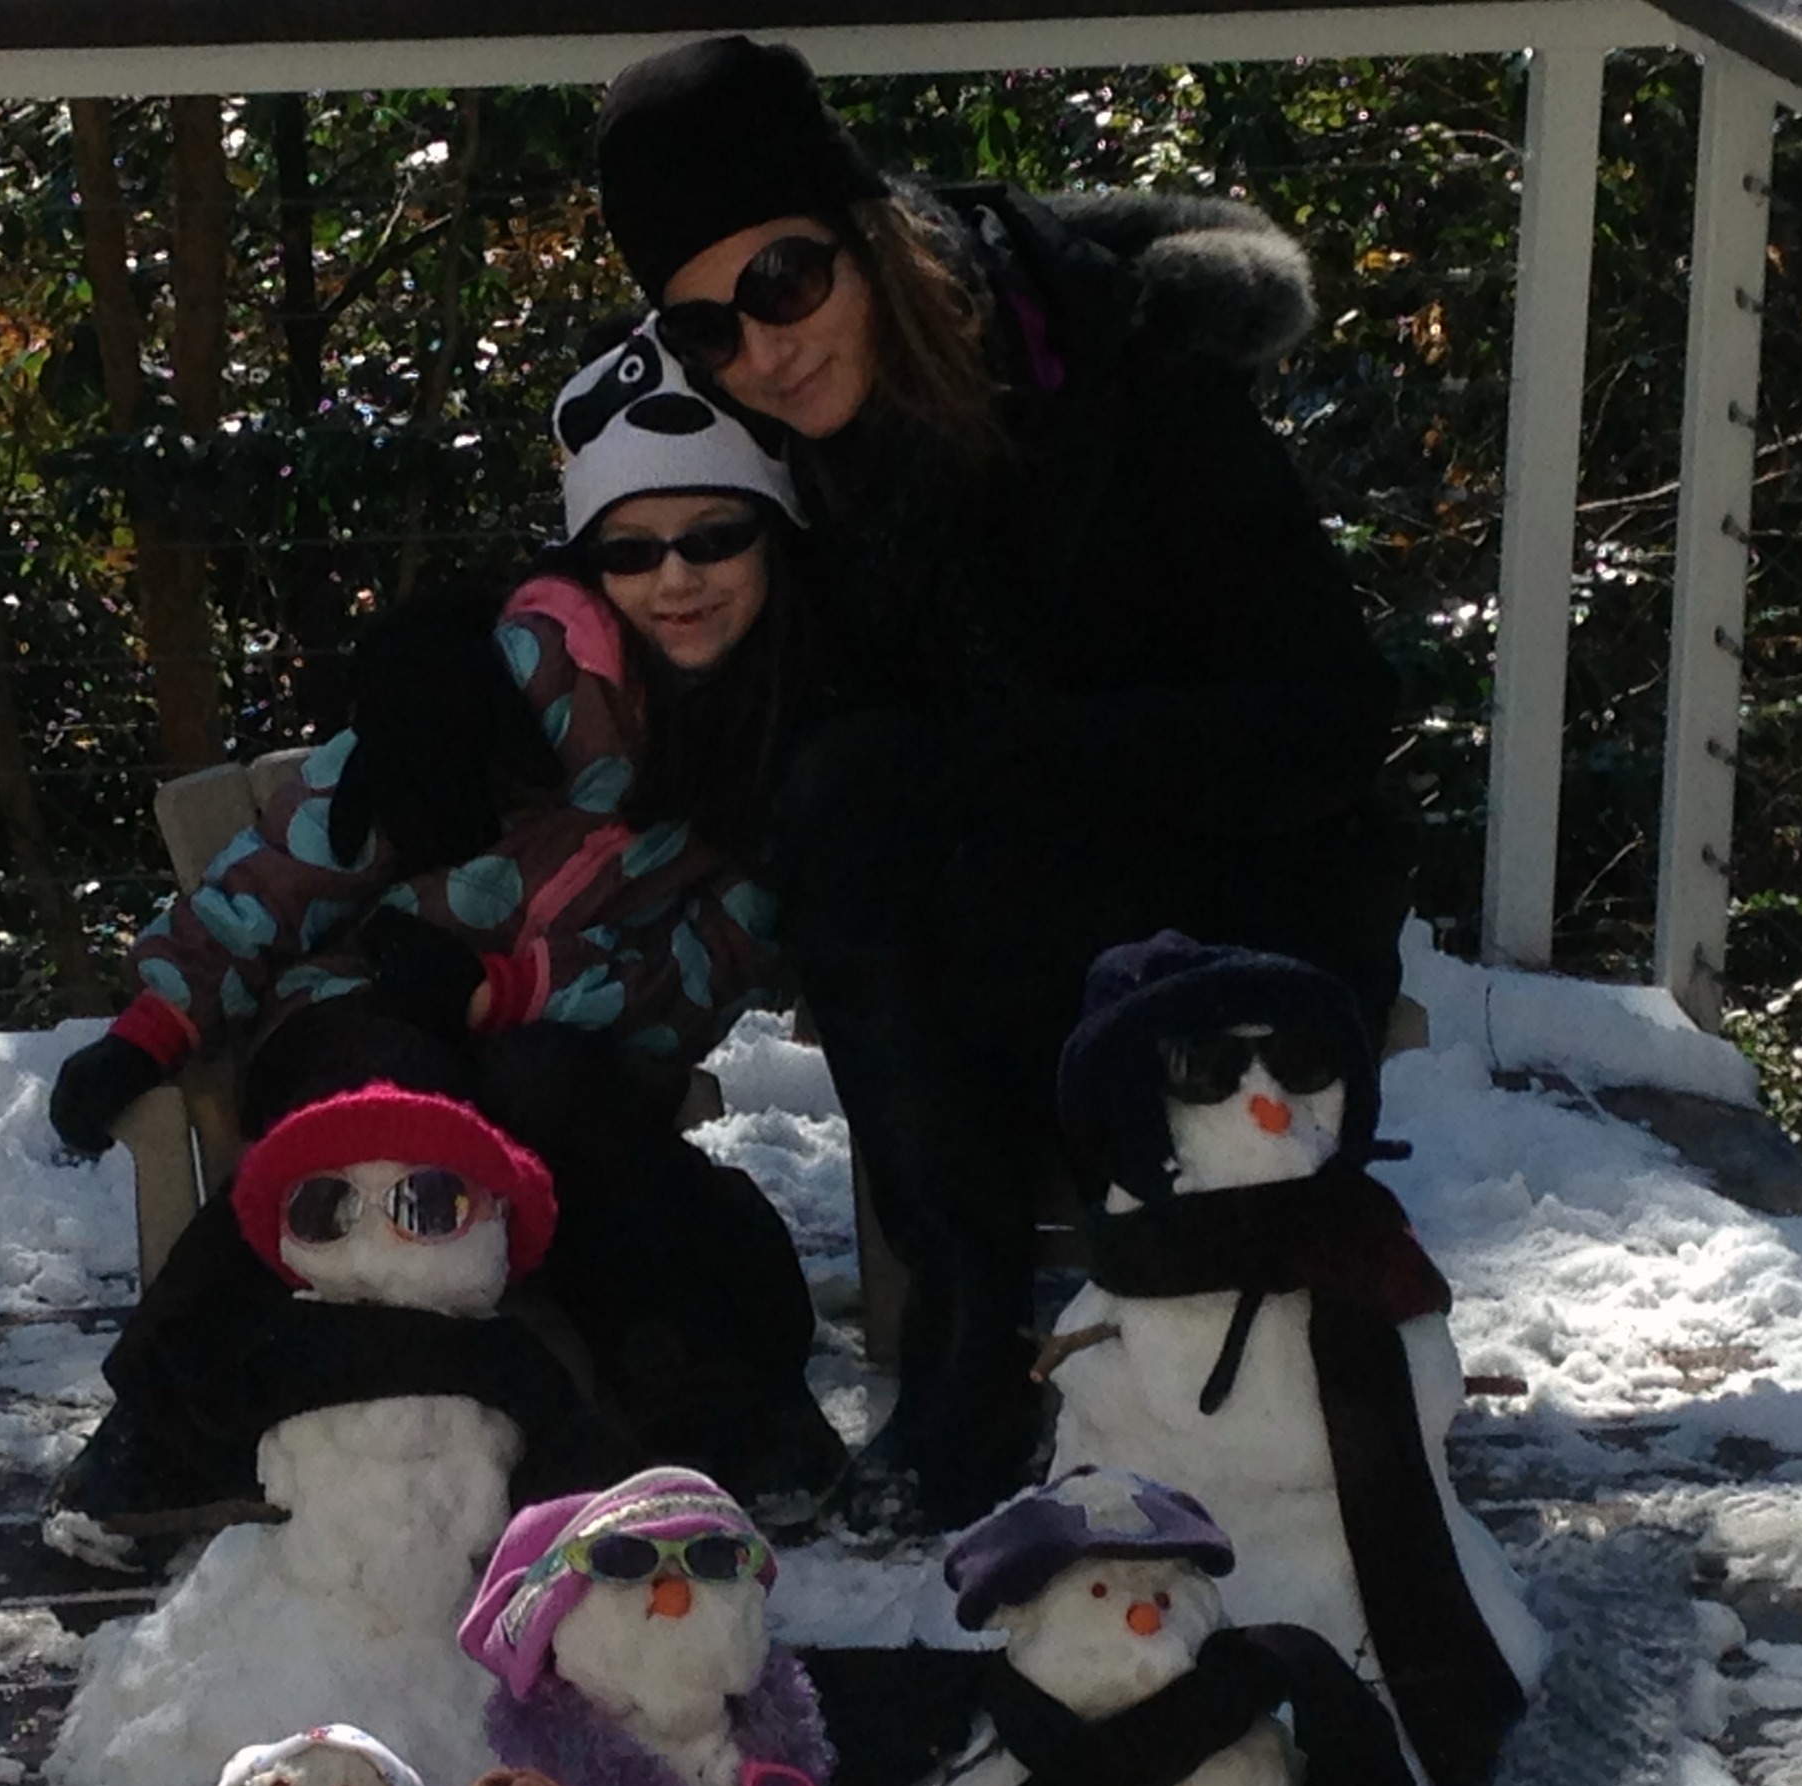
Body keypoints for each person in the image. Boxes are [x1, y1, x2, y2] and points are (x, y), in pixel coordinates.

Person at [593, 38, 1409, 1532]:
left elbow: (1329, 720)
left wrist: (1010, 760)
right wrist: (463, 667)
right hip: (988, 898)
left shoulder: (1123, 364)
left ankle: (1135, 1343)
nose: (761, 350)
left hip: (1246, 880)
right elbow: (628, 571)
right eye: (706, 326)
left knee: (892, 811)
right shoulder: (776, 453)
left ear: (864, 232)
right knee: (843, 800)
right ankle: (968, 1343)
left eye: (782, 281)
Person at [48, 317, 843, 1519]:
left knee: (552, 1098)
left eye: (713, 537)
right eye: (632, 551)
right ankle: (171, 1421)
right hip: (364, 992)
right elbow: (311, 848)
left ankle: (719, 1408)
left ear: (770, 536)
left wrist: (511, 991)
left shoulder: (776, 748)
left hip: (570, 1036)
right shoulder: (507, 673)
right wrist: (158, 1021)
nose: (674, 579)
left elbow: (709, 971)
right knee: (380, 1115)